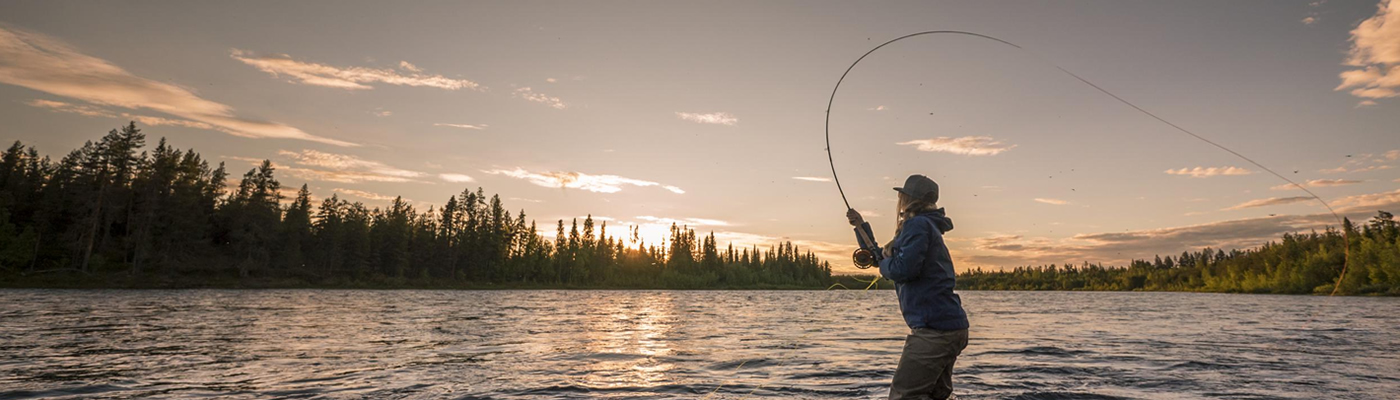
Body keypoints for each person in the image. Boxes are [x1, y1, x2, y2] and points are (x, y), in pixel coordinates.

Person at [846, 174, 969, 400]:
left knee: (904, 396)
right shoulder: (925, 226)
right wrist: (860, 226)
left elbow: (903, 270)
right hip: (949, 327)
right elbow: (882, 257)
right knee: (936, 395)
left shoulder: (918, 225)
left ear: (907, 199)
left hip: (935, 331)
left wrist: (884, 265)